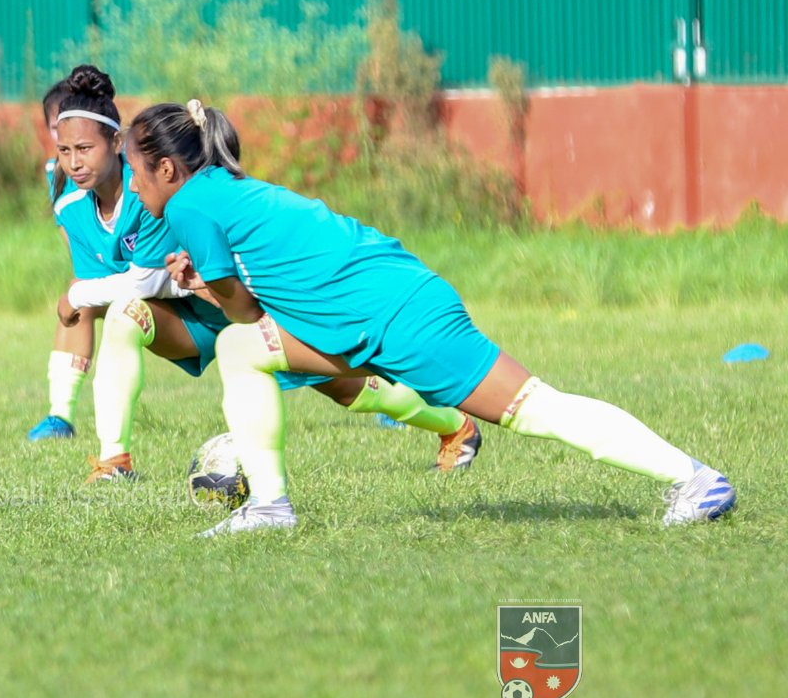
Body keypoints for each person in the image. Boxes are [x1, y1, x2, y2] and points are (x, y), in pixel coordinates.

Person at [125, 99, 736, 535]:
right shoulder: (216, 192)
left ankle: (696, 478)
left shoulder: (190, 205)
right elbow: (252, 307)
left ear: (168, 170)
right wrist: (209, 286)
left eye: (132, 167)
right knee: (241, 350)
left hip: (400, 313)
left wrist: (208, 288)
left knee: (533, 408)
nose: (129, 182)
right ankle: (269, 506)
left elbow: (241, 306)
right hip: (370, 310)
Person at [45, 67, 478, 484]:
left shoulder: (151, 184)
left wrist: (78, 295)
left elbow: (145, 280)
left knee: (345, 388)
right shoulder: (71, 207)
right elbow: (120, 287)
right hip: (192, 315)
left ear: (116, 142)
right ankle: (113, 461)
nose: (74, 162)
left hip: (240, 300)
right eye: (64, 151)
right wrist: (86, 294)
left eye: (85, 149)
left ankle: (454, 425)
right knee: (124, 316)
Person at [28, 74, 101, 443]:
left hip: (141, 269)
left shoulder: (117, 167)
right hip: (99, 273)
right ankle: (60, 416)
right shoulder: (55, 174)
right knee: (75, 302)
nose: (64, 135)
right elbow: (71, 238)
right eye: (56, 127)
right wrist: (84, 279)